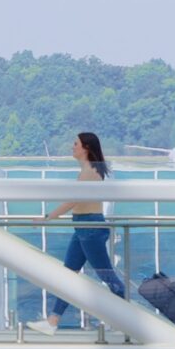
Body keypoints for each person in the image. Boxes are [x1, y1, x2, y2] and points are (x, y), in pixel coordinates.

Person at [27, 132, 126, 335]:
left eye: (75, 144)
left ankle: (127, 320)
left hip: (90, 228)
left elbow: (73, 200)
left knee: (107, 275)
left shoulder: (90, 172)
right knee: (68, 276)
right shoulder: (89, 170)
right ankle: (53, 320)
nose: (72, 147)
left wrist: (47, 218)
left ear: (86, 148)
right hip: (83, 227)